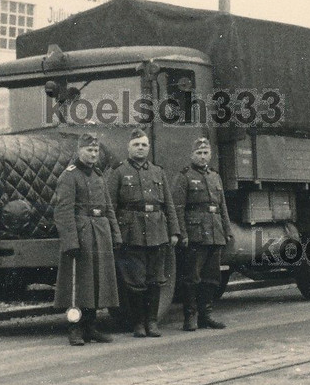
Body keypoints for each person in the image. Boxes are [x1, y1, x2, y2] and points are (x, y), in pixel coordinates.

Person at [106, 128, 181, 337]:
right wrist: (115, 234)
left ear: (148, 148)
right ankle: (138, 323)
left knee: (155, 279)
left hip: (157, 231)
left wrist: (174, 231)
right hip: (132, 232)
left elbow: (169, 204)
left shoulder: (158, 172)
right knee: (135, 280)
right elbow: (110, 206)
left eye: (144, 145)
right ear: (128, 148)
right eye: (136, 145)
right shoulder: (119, 172)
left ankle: (152, 322)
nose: (140, 148)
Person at [54, 133, 122, 346]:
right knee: (78, 283)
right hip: (81, 234)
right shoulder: (69, 176)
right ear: (79, 151)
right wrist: (71, 242)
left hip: (100, 233)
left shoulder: (99, 175)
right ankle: (75, 328)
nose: (93, 154)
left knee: (96, 281)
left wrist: (115, 234)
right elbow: (63, 211)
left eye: (95, 151)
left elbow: (108, 207)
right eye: (88, 150)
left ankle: (91, 327)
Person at [172, 137, 234, 331]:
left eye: (205, 153)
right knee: (192, 278)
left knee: (212, 277)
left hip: (214, 231)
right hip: (195, 233)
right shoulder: (184, 177)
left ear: (210, 154)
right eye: (198, 153)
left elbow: (222, 205)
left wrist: (227, 230)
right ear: (192, 155)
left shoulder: (215, 176)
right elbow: (178, 208)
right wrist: (182, 233)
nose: (202, 156)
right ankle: (190, 317)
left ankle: (205, 316)